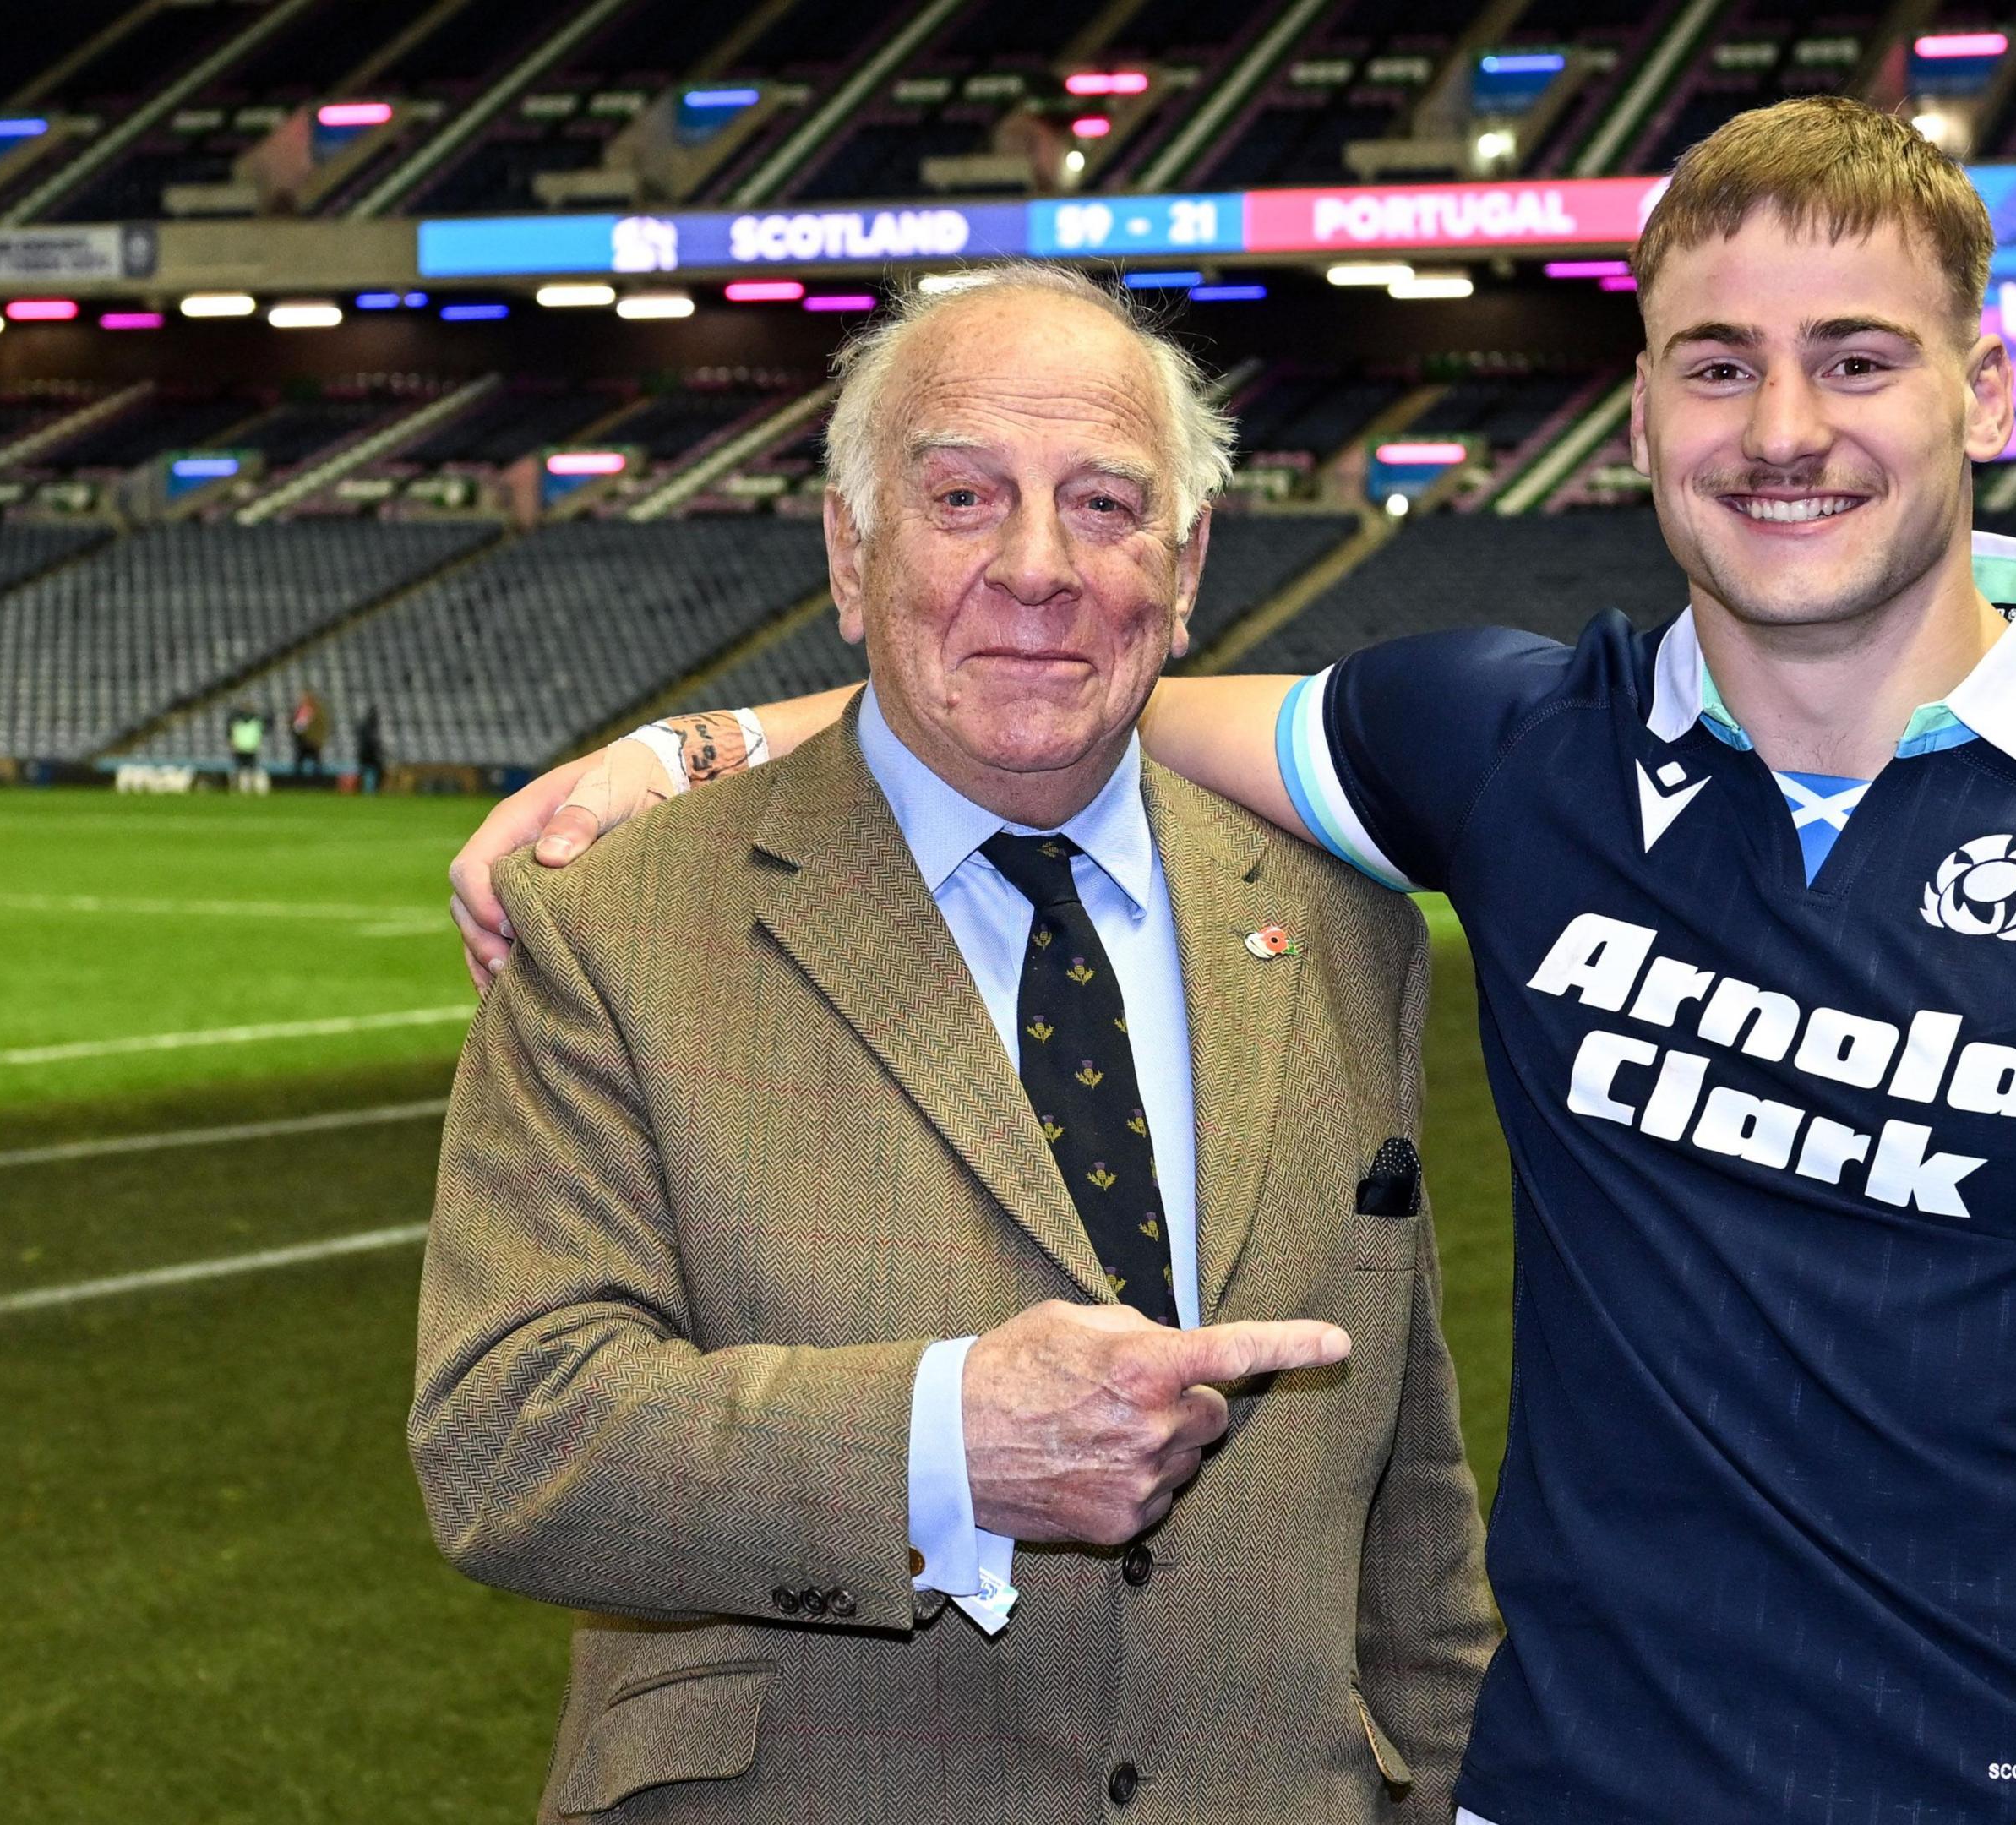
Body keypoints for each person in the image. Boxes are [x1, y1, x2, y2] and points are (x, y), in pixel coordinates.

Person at [455, 98, 2016, 1825]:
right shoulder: (1512, 750)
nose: (1784, 429)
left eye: (1856, 358)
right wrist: (688, 749)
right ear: (1643, 403)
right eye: (1715, 365)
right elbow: (1065, 679)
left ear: (1984, 391)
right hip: (1572, 1790)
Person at [413, 267, 1495, 1822]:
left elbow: (1412, 1505)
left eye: (1106, 504)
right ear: (854, 555)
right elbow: (508, 1440)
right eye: (965, 496)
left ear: (1186, 569)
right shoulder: (615, 921)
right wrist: (943, 1447)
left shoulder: (1345, 930)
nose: (1038, 567)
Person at [290, 685, 330, 782]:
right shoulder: (301, 710)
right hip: (303, 741)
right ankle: (298, 783)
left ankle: (319, 782)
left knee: (316, 764)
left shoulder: (318, 711)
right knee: (300, 763)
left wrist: (318, 739)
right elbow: (294, 724)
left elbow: (322, 727)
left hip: (313, 742)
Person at [225, 705, 266, 795]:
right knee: (243, 772)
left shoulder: (254, 723)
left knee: (251, 771)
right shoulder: (240, 723)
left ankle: (255, 790)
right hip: (242, 749)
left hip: (250, 749)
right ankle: (243, 790)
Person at [354, 705, 385, 794]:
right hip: (368, 754)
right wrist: (379, 748)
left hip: (364, 754)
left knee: (364, 772)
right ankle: (372, 790)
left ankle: (363, 790)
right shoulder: (369, 726)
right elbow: (371, 741)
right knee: (376, 771)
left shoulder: (365, 725)